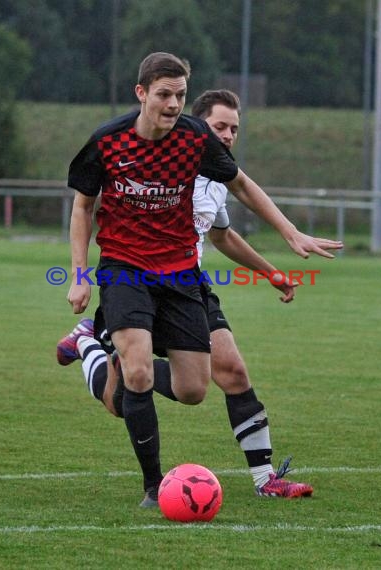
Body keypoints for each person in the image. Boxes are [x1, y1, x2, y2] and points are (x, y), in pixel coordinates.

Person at [65, 52, 342, 507]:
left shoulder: (195, 141)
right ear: (141, 93)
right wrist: (79, 275)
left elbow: (242, 188)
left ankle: (94, 352)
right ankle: (154, 487)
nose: (173, 104)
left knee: (194, 389)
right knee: (136, 373)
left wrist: (289, 233)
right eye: (164, 95)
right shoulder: (107, 141)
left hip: (180, 276)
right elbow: (82, 207)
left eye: (180, 95)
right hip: (125, 269)